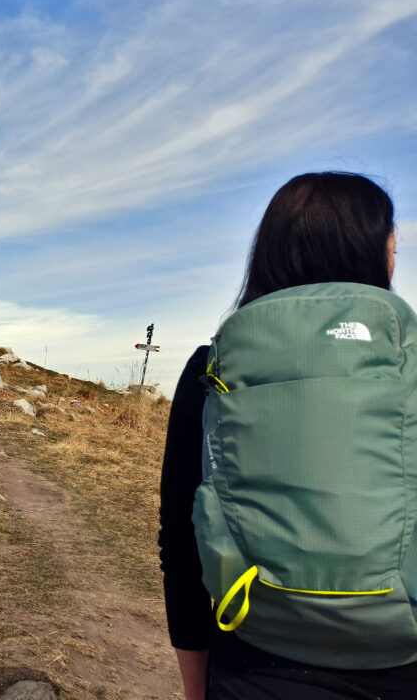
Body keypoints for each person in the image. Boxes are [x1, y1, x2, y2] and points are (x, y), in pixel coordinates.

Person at [159, 172, 415, 700]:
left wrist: (197, 688)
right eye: (393, 247)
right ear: (374, 253)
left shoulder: (210, 369)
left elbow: (181, 546)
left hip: (253, 661)